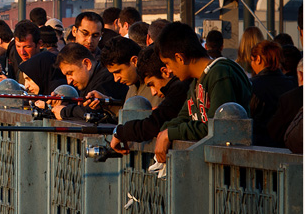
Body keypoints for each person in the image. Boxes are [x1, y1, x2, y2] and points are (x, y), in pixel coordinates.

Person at [154, 22, 252, 163]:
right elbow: (184, 117)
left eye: (168, 63)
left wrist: (170, 133)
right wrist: (164, 131)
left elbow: (218, 128)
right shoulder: (196, 80)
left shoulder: (220, 74)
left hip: (230, 170)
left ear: (180, 58)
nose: (168, 70)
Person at [109, 46, 190, 153]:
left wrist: (119, 132)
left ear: (165, 71)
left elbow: (152, 125)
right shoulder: (182, 86)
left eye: (152, 84)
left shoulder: (180, 89)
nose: (153, 92)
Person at [50, 42, 126, 122]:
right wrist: (64, 104)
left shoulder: (105, 80)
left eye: (70, 73)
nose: (69, 81)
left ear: (87, 64)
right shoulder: (92, 79)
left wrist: (64, 112)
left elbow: (91, 112)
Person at [247, 40, 295, 147]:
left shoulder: (252, 85)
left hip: (259, 143)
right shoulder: (291, 84)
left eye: (252, 60)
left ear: (258, 59)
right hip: (285, 144)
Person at [101, 35, 161, 107]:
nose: (116, 79)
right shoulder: (132, 87)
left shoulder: (157, 86)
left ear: (134, 61)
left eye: (118, 72)